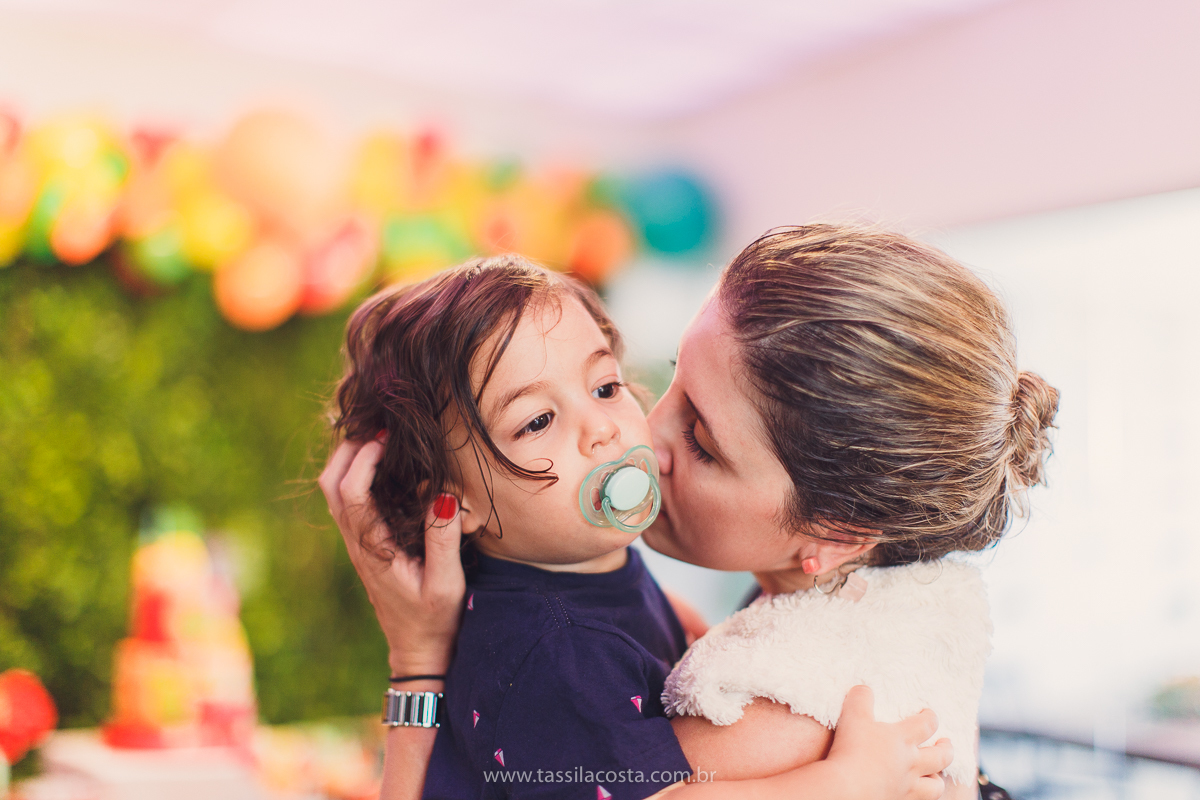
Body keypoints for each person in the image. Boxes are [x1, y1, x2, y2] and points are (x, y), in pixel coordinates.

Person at [323, 225, 1054, 798]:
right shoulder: (561, 626)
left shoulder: (775, 722)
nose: (635, 433)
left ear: (836, 535)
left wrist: (417, 667)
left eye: (607, 388)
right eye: (669, 381)